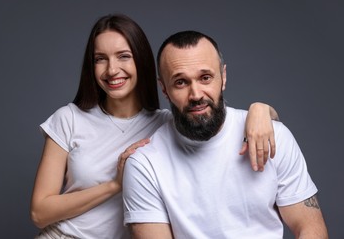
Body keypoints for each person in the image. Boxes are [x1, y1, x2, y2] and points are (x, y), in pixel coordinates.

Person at [30, 14, 279, 239]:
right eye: (100, 59)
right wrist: (114, 185)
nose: (112, 69)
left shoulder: (165, 124)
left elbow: (241, 121)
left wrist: (259, 109)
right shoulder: (69, 118)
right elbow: (39, 212)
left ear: (142, 60)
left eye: (123, 56)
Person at [123, 30, 328, 238]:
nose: (196, 95)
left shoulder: (274, 137)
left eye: (205, 78)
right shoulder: (144, 165)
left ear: (223, 77)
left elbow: (310, 227)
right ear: (164, 89)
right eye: (181, 82)